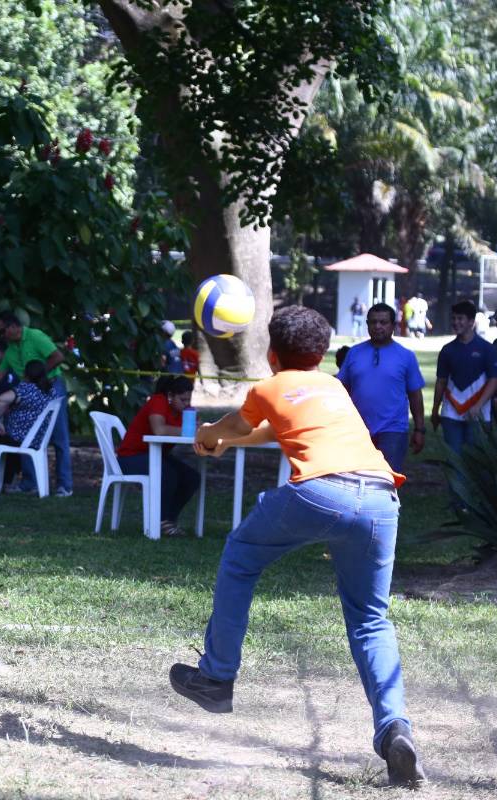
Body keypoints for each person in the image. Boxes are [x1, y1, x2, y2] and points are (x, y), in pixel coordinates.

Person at [170, 306, 425, 789]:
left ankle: (217, 677)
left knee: (241, 558)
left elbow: (233, 425)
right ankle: (395, 729)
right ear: (323, 351)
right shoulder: (333, 386)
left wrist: (208, 437)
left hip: (320, 491)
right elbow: (274, 428)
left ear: (270, 352)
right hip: (379, 497)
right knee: (371, 618)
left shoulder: (267, 386)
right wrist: (231, 442)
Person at [0, 310, 74, 497]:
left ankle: (65, 485)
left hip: (51, 386)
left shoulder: (35, 336)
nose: (1, 336)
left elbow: (57, 357)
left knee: (60, 437)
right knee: (27, 432)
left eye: (3, 331)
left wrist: (37, 376)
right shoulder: (11, 349)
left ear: (13, 327)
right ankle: (30, 483)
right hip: (31, 389)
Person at [337, 303, 426, 472]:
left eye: (383, 322)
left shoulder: (406, 356)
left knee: (388, 480)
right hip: (358, 429)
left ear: (393, 325)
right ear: (367, 324)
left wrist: (420, 429)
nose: (378, 326)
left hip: (393, 430)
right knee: (357, 480)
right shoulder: (354, 353)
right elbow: (342, 390)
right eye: (373, 322)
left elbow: (415, 395)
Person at [115, 375, 200, 537]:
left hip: (154, 456)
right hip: (130, 457)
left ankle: (168, 520)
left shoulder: (181, 412)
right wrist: (187, 429)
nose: (187, 404)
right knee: (168, 474)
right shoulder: (158, 401)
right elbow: (159, 430)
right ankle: (160, 521)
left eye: (188, 400)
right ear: (170, 396)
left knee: (192, 477)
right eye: (182, 399)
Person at [432, 299, 497, 454]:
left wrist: (478, 406)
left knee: (475, 463)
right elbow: (441, 381)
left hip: (478, 415)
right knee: (454, 462)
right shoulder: (447, 350)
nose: (455, 322)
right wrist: (435, 411)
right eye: (453, 318)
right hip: (450, 414)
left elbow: (494, 380)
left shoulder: (487, 349)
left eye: (460, 318)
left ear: (471, 321)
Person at [0, 359, 59, 490]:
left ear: (26, 374)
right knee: (4, 442)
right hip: (38, 438)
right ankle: (7, 482)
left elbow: (1, 399)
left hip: (19, 437)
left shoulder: (26, 389)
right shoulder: (51, 391)